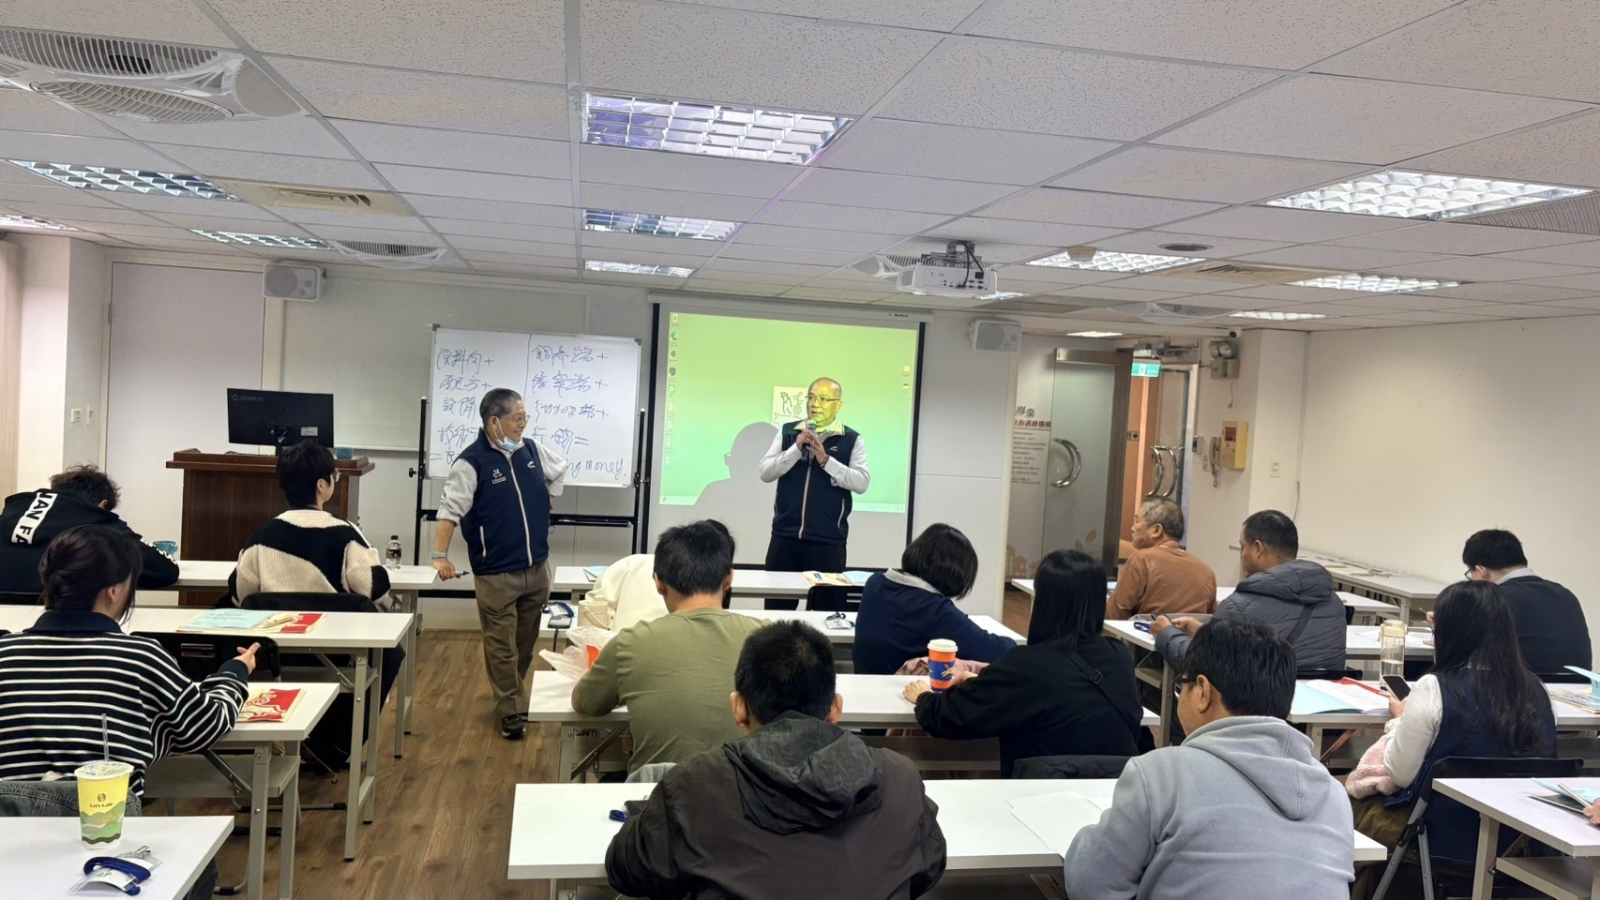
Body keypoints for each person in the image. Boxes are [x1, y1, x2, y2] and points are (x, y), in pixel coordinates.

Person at [605, 620, 947, 899]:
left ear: (739, 707)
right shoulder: (900, 779)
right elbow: (928, 869)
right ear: (835, 708)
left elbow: (628, 869)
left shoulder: (697, 784)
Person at [1063, 618, 1354, 900]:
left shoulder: (1161, 774)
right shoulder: (1333, 794)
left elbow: (1091, 885)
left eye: (1182, 685)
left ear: (1203, 692)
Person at [0, 524, 258, 794]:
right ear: (113, 591)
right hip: (103, 817)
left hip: (9, 817)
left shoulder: (4, 652)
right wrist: (233, 674)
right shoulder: (140, 657)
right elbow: (205, 725)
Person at [1350, 580, 1556, 893]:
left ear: (1448, 632)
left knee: (1346, 802)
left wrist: (1399, 722)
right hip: (1520, 846)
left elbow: (1401, 774)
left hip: (1441, 839)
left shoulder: (1434, 688)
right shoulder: (1538, 692)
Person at [903, 549, 1143, 776]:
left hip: (1043, 793)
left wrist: (924, 697)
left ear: (1043, 602)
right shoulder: (1119, 655)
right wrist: (982, 683)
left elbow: (950, 717)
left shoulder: (1027, 664)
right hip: (1118, 791)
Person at [573, 520, 764, 772]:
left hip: (657, 792)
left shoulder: (630, 642)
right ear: (729, 579)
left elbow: (583, 703)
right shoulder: (768, 638)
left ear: (658, 582)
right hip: (748, 791)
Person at [432, 387, 568, 740]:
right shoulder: (471, 462)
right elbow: (449, 511)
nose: (523, 424)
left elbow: (560, 469)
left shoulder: (531, 450)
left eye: (525, 417)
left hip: (537, 568)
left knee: (525, 642)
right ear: (495, 422)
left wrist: (548, 499)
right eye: (517, 418)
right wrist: (440, 556)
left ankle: (512, 695)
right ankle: (511, 710)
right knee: (501, 646)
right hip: (496, 572)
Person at [1153, 510, 1345, 677]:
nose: (1242, 554)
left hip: (1260, 703)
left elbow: (1199, 662)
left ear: (1258, 549)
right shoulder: (1333, 603)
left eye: (1243, 547)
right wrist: (1203, 632)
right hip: (1313, 702)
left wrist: (1166, 634)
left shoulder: (1240, 605)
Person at [757, 377, 869, 610]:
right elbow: (765, 472)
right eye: (811, 397)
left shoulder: (852, 439)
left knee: (825, 612)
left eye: (823, 399)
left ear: (838, 405)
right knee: (778, 611)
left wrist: (826, 461)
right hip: (785, 537)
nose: (814, 404)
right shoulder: (789, 432)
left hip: (827, 542)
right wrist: (795, 450)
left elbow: (861, 482)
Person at [229, 441, 389, 604]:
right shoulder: (347, 534)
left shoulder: (261, 536)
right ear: (321, 485)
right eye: (334, 475)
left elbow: (240, 595)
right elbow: (375, 592)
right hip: (333, 621)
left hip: (277, 621)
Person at [854, 523, 1016, 675]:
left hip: (864, 685)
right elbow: (998, 651)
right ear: (954, 573)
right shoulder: (934, 610)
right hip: (904, 691)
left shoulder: (875, 583)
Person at [0, 465, 178, 594]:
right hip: (61, 623)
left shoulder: (9, 514)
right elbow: (164, 571)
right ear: (103, 505)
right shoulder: (100, 522)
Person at [1462, 529, 1590, 676]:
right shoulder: (1565, 594)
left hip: (1522, 688)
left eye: (1471, 574)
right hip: (1580, 687)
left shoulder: (1492, 598)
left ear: (1481, 571)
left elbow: (1462, 654)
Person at [590, 522, 736, 631]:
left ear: (658, 581)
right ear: (728, 580)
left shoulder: (627, 643)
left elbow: (592, 609)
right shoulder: (743, 635)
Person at [1106, 497, 1217, 620]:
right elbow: (1212, 620)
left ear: (1156, 530)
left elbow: (1115, 614)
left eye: (1137, 521)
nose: (1132, 528)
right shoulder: (1206, 571)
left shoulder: (1141, 561)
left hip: (1144, 632)